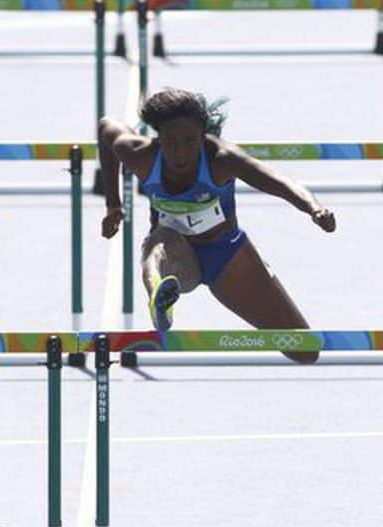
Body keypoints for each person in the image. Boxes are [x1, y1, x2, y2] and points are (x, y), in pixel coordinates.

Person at [97, 87, 336, 364]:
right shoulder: (140, 154)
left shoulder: (222, 159)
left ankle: (162, 291)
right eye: (171, 141)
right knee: (159, 245)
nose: (179, 151)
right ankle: (159, 298)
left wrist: (313, 208)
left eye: (189, 141)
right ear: (158, 138)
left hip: (226, 254)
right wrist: (113, 204)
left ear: (203, 135)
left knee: (304, 350)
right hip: (177, 256)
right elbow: (106, 129)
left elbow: (280, 181)